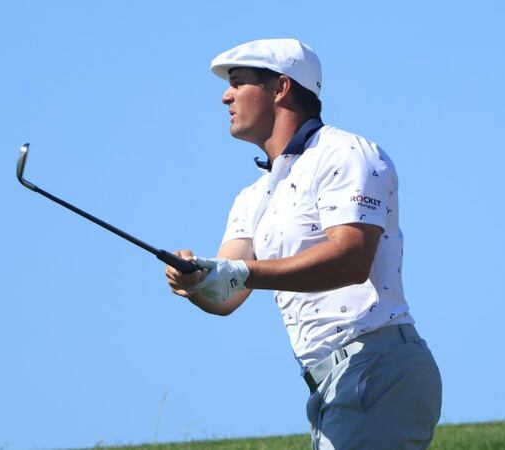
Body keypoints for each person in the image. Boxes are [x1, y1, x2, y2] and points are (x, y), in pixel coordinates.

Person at [165, 38, 442, 450]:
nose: (226, 95)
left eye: (238, 83)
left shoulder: (345, 153)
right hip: (331, 384)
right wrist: (194, 281)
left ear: (281, 88)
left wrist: (240, 273)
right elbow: (226, 295)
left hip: (378, 366)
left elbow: (351, 257)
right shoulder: (252, 196)